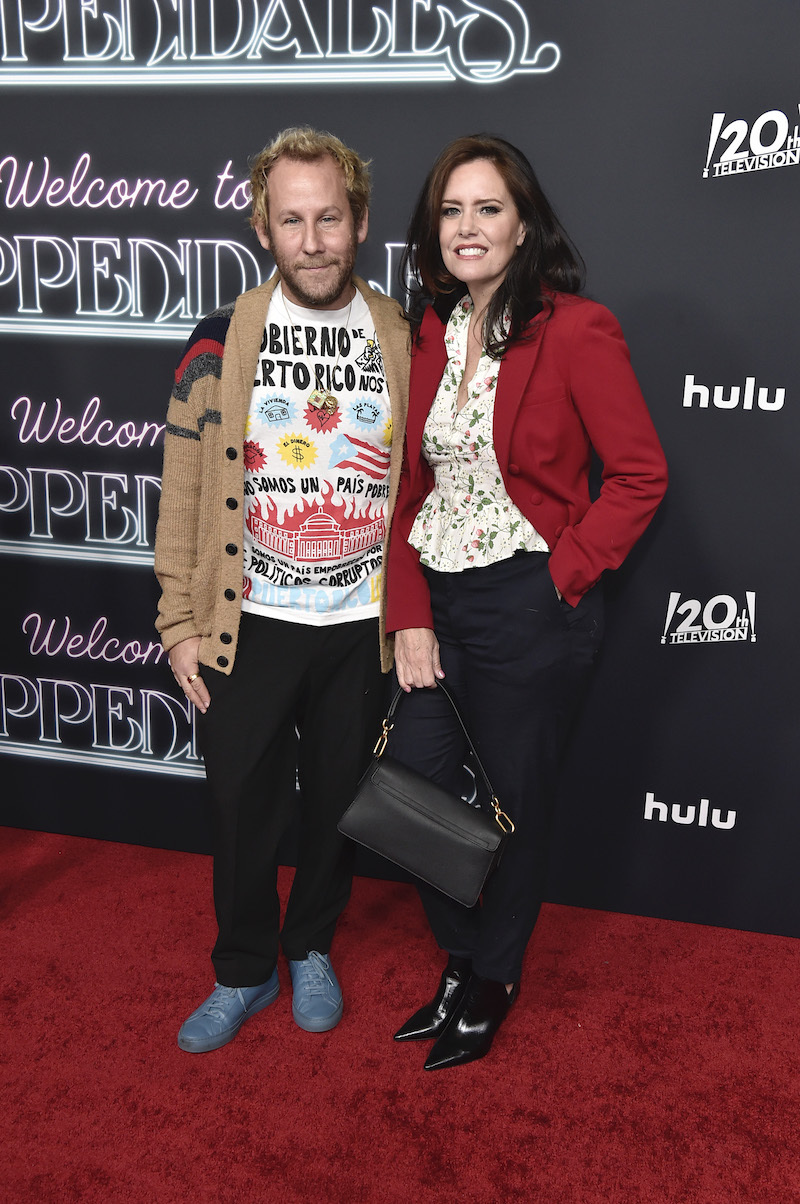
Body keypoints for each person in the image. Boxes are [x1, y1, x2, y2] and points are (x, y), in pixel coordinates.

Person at [384, 134, 667, 1070]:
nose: (468, 227)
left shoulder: (578, 329)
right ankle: (464, 958)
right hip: (442, 601)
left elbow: (638, 475)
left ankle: (491, 977)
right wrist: (410, 614)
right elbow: (410, 489)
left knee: (512, 809)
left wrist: (561, 576)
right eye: (452, 210)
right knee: (412, 789)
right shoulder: (431, 330)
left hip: (529, 604)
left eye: (488, 208)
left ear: (523, 223)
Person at [154, 127, 409, 1052]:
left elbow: (421, 481)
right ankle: (243, 969)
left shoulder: (401, 336)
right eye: (292, 220)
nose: (312, 240)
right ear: (265, 228)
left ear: (360, 223)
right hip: (246, 622)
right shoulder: (218, 338)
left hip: (359, 623)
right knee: (240, 806)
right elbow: (182, 486)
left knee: (339, 800)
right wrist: (178, 619)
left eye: (329, 219)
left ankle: (310, 947)